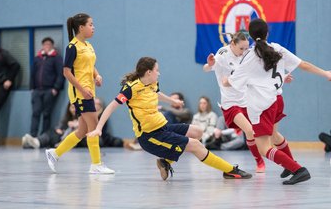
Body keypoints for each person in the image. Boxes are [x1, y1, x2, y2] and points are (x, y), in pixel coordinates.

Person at [87, 57, 252, 181]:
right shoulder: (131, 89)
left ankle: (166, 162)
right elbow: (111, 106)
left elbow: (156, 93)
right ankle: (230, 170)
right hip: (149, 136)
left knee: (198, 132)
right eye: (157, 70)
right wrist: (99, 128)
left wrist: (172, 101)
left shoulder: (152, 83)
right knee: (195, 145)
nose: (159, 72)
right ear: (149, 72)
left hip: (163, 127)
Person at [223, 18, 331, 185]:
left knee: (264, 148)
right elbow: (304, 65)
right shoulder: (277, 49)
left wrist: (225, 80)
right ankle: (290, 165)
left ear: (250, 36)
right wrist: (325, 73)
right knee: (274, 135)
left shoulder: (250, 57)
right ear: (267, 33)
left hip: (261, 106)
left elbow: (232, 81)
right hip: (276, 100)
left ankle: (298, 169)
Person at [45, 13, 114, 174]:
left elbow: (90, 66)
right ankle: (96, 165)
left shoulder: (88, 46)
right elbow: (66, 72)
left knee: (82, 131)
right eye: (90, 24)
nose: (93, 27)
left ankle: (54, 153)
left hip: (89, 91)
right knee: (94, 127)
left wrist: (97, 75)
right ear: (81, 27)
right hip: (80, 93)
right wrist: (82, 89)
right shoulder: (72, 47)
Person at [203, 31, 266, 173]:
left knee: (261, 132)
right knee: (249, 130)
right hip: (231, 103)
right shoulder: (223, 53)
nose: (244, 51)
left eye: (246, 48)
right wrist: (209, 64)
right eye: (241, 48)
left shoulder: (247, 55)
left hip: (247, 100)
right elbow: (206, 68)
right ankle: (259, 162)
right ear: (232, 44)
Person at [29, 37, 64, 137]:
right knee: (35, 112)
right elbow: (32, 73)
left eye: (49, 44)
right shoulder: (38, 58)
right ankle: (33, 135)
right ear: (42, 46)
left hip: (49, 90)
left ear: (52, 46)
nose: (47, 46)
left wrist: (56, 88)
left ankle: (43, 136)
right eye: (45, 44)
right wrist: (32, 88)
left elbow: (60, 74)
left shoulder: (57, 58)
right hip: (37, 90)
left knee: (46, 114)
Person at [22, 103, 86, 149]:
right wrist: (59, 129)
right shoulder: (67, 117)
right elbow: (60, 126)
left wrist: (76, 124)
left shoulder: (82, 117)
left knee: (53, 136)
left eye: (75, 107)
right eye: (72, 107)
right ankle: (34, 142)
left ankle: (35, 142)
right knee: (51, 132)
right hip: (62, 135)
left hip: (74, 139)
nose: (73, 110)